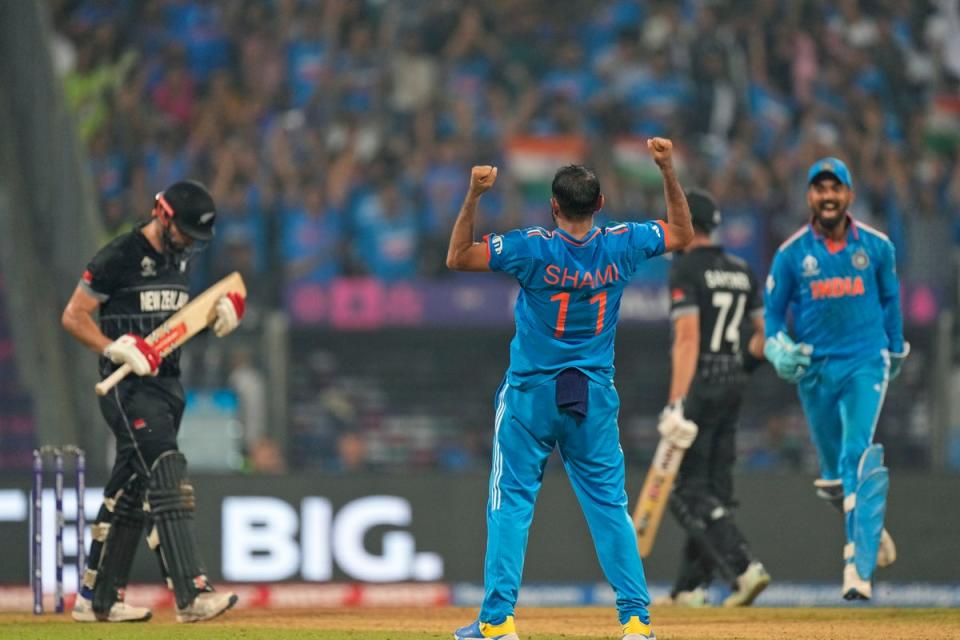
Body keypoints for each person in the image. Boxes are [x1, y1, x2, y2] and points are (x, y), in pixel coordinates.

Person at [446, 138, 693, 640]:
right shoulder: (623, 242)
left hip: (530, 395)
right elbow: (684, 234)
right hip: (592, 394)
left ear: (553, 205)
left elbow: (458, 257)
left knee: (510, 501)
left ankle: (497, 623)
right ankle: (636, 620)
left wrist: (473, 195)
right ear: (600, 205)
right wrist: (667, 169)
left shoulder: (530, 246)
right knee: (609, 507)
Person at [61, 180, 244, 622]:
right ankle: (191, 593)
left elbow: (171, 326)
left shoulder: (178, 258)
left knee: (130, 489)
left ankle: (97, 599)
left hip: (167, 388)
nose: (189, 245)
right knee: (165, 468)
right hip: (127, 389)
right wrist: (112, 347)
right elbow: (73, 316)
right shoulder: (119, 256)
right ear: (162, 216)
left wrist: (218, 317)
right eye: (184, 233)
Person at [763, 158, 906, 600]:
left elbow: (890, 301)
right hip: (816, 369)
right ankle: (869, 527)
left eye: (835, 188)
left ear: (849, 194)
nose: (828, 196)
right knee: (833, 478)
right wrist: (776, 346)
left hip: (865, 361)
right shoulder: (791, 254)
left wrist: (895, 347)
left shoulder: (878, 248)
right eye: (819, 189)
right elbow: (771, 314)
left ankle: (855, 570)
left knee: (853, 455)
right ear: (809, 197)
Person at [655, 188, 769, 608]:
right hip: (733, 384)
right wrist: (739, 367)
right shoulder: (742, 270)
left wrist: (676, 402)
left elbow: (687, 339)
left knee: (686, 492)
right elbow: (763, 337)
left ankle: (743, 566)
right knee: (713, 489)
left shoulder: (685, 269)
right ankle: (690, 588)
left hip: (699, 385)